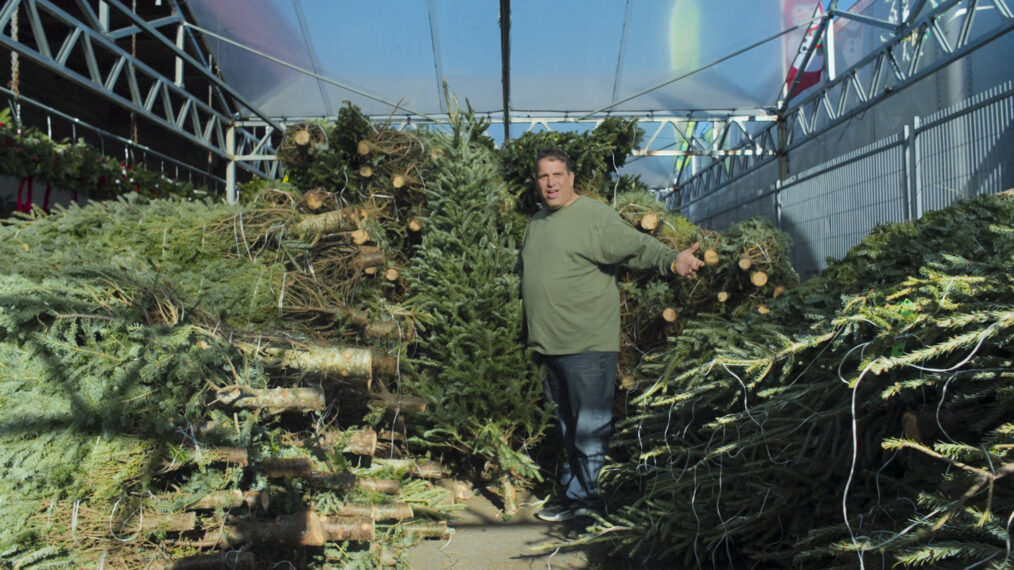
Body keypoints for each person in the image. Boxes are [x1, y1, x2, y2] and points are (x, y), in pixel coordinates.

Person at [519, 148, 704, 527]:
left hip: (586, 344)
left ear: (571, 177)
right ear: (537, 182)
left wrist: (672, 260)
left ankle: (586, 503)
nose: (550, 183)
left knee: (589, 429)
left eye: (557, 174)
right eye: (543, 176)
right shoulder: (537, 221)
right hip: (551, 344)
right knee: (571, 427)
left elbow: (635, 246)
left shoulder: (593, 216)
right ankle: (576, 495)